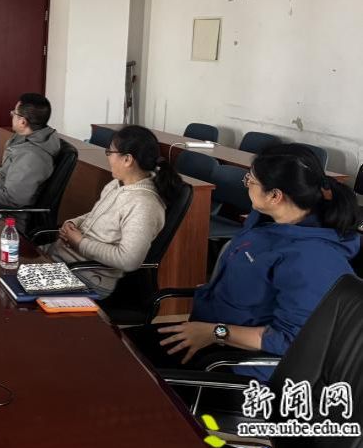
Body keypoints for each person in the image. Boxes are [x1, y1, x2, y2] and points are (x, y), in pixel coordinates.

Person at [125, 144, 359, 381]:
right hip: (211, 332)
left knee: (130, 374)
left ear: (275, 196)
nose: (246, 184)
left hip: (238, 365)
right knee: (123, 347)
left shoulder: (313, 258)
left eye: (251, 180)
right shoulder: (268, 221)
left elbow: (293, 341)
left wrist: (216, 332)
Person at [49, 125, 183, 298]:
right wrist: (74, 223)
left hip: (86, 278)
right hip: (61, 261)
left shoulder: (144, 205)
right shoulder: (117, 184)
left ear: (127, 159)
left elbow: (129, 260)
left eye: (109, 152)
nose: (108, 157)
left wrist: (80, 243)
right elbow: (96, 215)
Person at [0, 93, 59, 208]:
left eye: (14, 113)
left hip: (0, 212)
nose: (12, 115)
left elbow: (11, 199)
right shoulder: (23, 138)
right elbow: (2, 174)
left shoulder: (32, 157)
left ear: (22, 122)